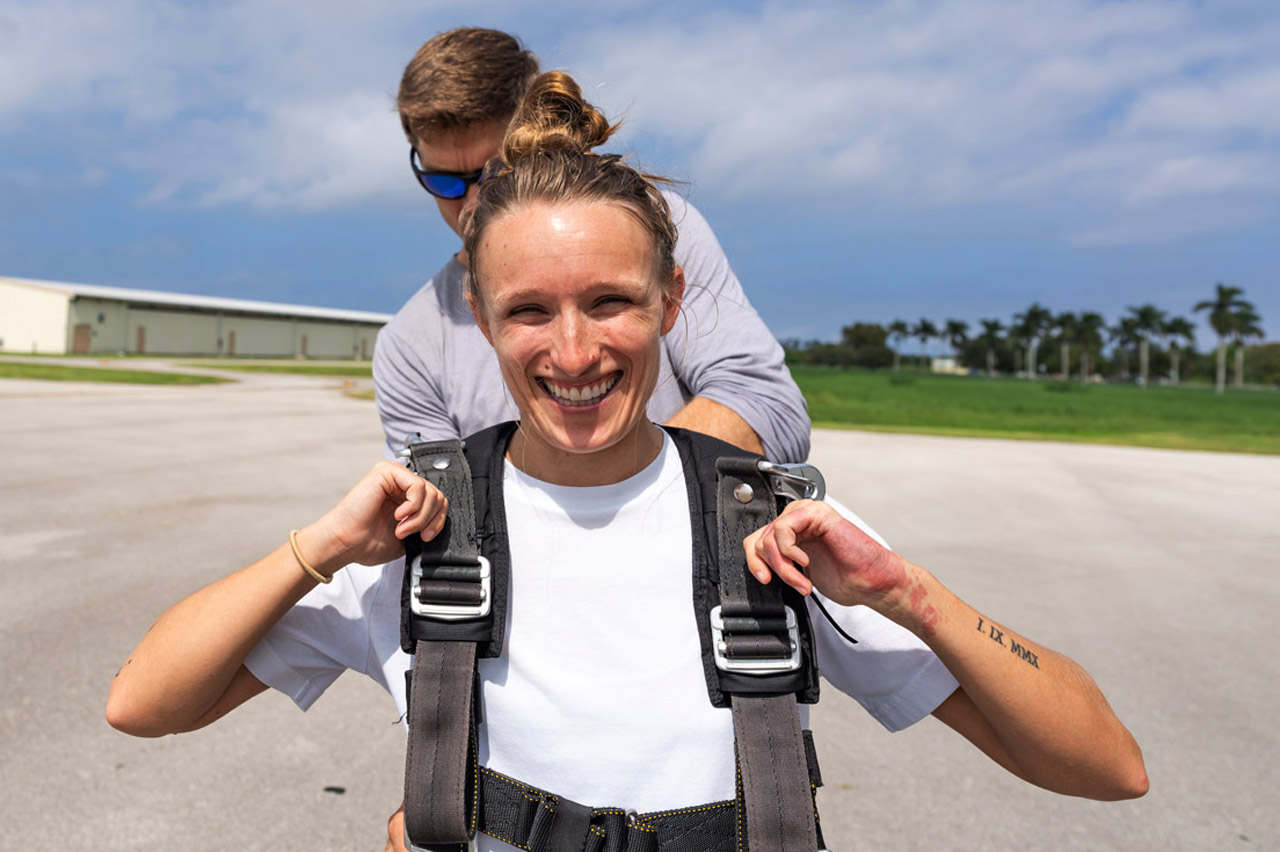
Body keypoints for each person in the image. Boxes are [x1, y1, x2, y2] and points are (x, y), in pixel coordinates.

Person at [106, 73, 1147, 852]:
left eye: (609, 301)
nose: (572, 353)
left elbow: (1105, 768)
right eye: (528, 311)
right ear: (478, 316)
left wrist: (909, 595)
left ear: (669, 306)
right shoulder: (425, 538)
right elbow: (146, 703)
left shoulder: (768, 538)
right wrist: (320, 548)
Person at [375, 27, 810, 463]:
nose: (472, 203)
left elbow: (767, 407)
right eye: (445, 182)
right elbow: (439, 505)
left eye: (494, 172)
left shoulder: (652, 227)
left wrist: (616, 487)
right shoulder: (409, 345)